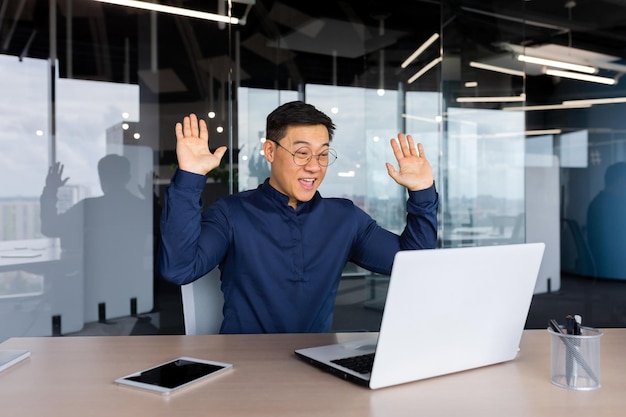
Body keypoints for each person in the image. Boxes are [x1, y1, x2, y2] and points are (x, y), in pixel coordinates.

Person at [158, 101, 438, 334]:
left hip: (316, 363)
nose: (314, 166)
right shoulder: (231, 213)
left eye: (323, 154)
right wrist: (190, 178)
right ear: (270, 151)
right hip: (244, 365)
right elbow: (179, 269)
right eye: (302, 153)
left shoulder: (345, 218)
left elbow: (416, 262)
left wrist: (422, 192)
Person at [586, 162, 626, 279]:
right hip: (614, 267)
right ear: (621, 182)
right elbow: (615, 246)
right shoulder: (613, 205)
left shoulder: (599, 202)